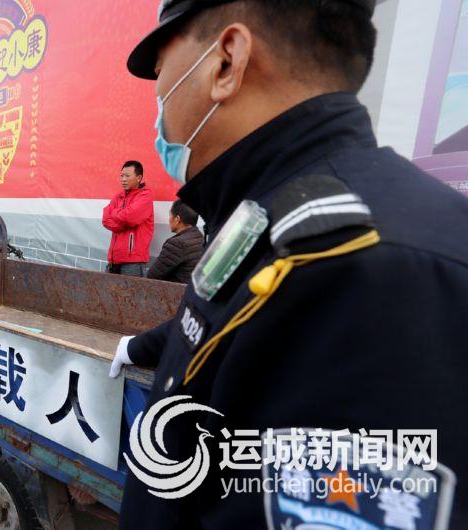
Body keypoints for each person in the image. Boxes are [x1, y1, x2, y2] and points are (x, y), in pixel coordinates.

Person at [109, 1, 468, 528]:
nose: (160, 108)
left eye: (160, 77)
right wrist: (139, 347)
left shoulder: (363, 270)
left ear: (226, 61)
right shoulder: (267, 217)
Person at [102, 160, 155, 277]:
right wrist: (123, 221)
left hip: (133, 262)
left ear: (139, 178)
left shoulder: (145, 196)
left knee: (130, 290)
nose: (123, 179)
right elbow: (105, 219)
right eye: (122, 176)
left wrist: (115, 213)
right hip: (113, 260)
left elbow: (129, 217)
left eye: (127, 176)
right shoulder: (118, 196)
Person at [147, 200, 205, 283]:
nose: (169, 219)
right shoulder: (199, 236)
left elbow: (153, 276)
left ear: (177, 219)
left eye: (170, 215)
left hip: (175, 289)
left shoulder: (176, 244)